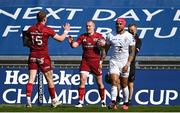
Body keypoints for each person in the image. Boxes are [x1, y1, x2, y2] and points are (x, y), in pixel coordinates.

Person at [25, 10, 70, 108]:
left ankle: (28, 99)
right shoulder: (47, 29)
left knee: (31, 79)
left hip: (32, 55)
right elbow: (61, 39)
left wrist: (33, 46)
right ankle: (54, 100)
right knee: (49, 79)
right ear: (45, 19)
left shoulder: (30, 29)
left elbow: (26, 41)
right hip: (43, 56)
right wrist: (66, 30)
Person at [68, 20, 106, 108]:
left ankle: (103, 101)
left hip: (96, 62)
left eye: (89, 26)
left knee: (99, 82)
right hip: (85, 61)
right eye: (87, 26)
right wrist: (71, 42)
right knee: (82, 80)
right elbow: (75, 45)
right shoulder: (82, 36)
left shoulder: (99, 36)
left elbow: (104, 50)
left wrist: (101, 62)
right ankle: (80, 102)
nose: (88, 27)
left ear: (93, 27)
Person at [105, 18, 135, 110]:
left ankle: (126, 102)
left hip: (124, 63)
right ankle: (113, 101)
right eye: (117, 24)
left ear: (124, 25)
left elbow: (132, 52)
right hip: (114, 62)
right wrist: (101, 61)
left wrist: (128, 64)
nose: (118, 25)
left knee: (124, 84)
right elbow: (105, 49)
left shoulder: (129, 36)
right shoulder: (110, 35)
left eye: (120, 24)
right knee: (114, 81)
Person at [127, 23, 142, 104]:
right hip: (121, 61)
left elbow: (135, 52)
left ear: (136, 30)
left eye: (132, 30)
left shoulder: (138, 40)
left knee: (130, 83)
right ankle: (117, 98)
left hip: (131, 63)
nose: (131, 31)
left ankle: (129, 100)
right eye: (129, 30)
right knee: (118, 81)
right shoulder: (125, 37)